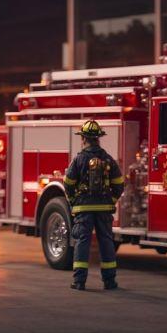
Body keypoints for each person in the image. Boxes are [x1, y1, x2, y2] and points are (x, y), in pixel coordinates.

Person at [63, 120, 124, 291]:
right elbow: (119, 185)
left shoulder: (79, 159)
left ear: (83, 138)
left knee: (83, 242)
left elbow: (68, 183)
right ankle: (110, 282)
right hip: (104, 209)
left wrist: (74, 201)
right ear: (98, 139)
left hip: (83, 208)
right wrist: (110, 201)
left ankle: (79, 282)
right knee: (106, 242)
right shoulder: (108, 159)